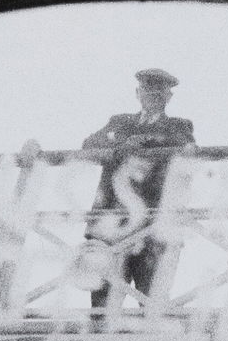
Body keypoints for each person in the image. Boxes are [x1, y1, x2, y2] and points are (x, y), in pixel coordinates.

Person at [81, 68, 197, 318]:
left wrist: (138, 144)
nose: (152, 96)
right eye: (147, 91)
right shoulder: (118, 122)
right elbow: (89, 146)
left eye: (158, 93)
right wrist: (123, 147)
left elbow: (186, 148)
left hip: (152, 231)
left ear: (168, 98)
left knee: (152, 305)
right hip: (109, 229)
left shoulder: (178, 126)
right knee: (102, 308)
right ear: (138, 93)